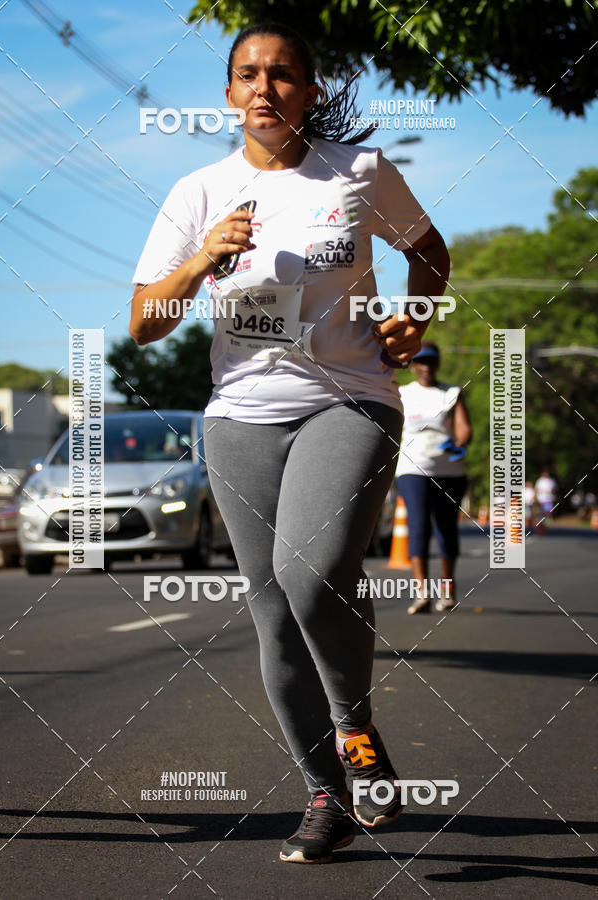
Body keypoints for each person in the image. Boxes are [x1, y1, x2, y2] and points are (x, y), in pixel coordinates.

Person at [129, 22, 450, 864]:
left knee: (310, 574)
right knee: (274, 614)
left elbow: (430, 253)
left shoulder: (360, 174)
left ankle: (356, 733)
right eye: (248, 76)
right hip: (238, 414)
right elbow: (143, 325)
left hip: (351, 400)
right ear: (230, 94)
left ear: (310, 89)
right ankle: (325, 798)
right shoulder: (198, 191)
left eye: (283, 75)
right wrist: (202, 260)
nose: (265, 89)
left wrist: (412, 320)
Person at [395, 342, 472, 614]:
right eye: (420, 362)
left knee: (446, 529)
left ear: (437, 364)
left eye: (431, 362)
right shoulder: (402, 393)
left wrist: (458, 444)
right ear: (413, 365)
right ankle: (422, 594)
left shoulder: (451, 393)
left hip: (449, 470)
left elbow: (464, 430)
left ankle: (447, 592)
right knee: (418, 524)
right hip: (412, 468)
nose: (426, 367)